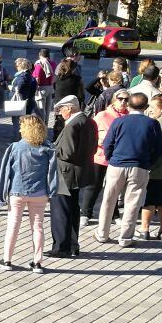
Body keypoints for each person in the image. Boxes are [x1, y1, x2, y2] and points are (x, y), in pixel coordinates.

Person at [96, 93, 162, 246]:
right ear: (146, 107)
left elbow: (108, 144)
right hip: (140, 166)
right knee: (132, 202)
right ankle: (126, 238)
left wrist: (111, 158)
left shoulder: (119, 121)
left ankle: (102, 234)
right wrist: (148, 163)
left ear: (128, 105)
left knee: (108, 199)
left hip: (117, 165)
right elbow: (159, 149)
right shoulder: (152, 124)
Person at [0, 115, 57, 273]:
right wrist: (52, 192)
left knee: (13, 226)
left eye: (21, 126)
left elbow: (6, 172)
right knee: (38, 227)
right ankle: (37, 263)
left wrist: (2, 195)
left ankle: (7, 260)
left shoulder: (15, 147)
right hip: (40, 193)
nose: (19, 128)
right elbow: (52, 174)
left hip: (17, 192)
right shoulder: (48, 148)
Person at [48, 95, 97, 258]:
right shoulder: (89, 121)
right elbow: (93, 149)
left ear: (69, 108)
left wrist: (52, 149)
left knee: (60, 210)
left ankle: (61, 247)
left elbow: (67, 153)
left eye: (61, 109)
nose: (60, 113)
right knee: (73, 209)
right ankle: (73, 245)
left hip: (65, 174)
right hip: (79, 173)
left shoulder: (72, 125)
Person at [81, 89, 130, 225]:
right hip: (100, 155)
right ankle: (85, 213)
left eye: (126, 99)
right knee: (93, 185)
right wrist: (98, 141)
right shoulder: (102, 115)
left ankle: (114, 215)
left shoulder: (129, 117)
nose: (123, 102)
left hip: (118, 158)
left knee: (114, 187)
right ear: (114, 100)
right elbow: (89, 133)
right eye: (120, 98)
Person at [138, 96, 162, 240]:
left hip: (154, 170)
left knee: (149, 200)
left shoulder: (153, 124)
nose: (150, 110)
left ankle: (144, 229)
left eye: (154, 107)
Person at [8, 57, 38, 141]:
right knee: (23, 122)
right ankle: (22, 139)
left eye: (17, 65)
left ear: (22, 66)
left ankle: (17, 141)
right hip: (28, 102)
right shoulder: (30, 76)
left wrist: (11, 88)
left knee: (17, 123)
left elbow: (19, 88)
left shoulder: (23, 76)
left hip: (21, 103)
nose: (16, 67)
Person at [32, 49, 56, 125]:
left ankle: (41, 127)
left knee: (41, 110)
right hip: (50, 87)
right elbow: (55, 76)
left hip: (41, 88)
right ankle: (46, 125)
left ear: (40, 55)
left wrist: (35, 89)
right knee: (48, 110)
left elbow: (37, 78)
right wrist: (51, 84)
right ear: (49, 55)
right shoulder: (53, 64)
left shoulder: (39, 64)